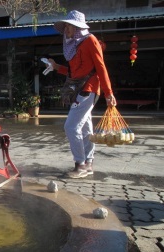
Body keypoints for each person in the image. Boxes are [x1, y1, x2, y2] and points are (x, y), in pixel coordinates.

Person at [48, 10, 117, 179]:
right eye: (65, 26)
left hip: (89, 89)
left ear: (78, 27)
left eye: (69, 26)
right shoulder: (73, 45)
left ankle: (80, 164)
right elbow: (74, 73)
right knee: (86, 128)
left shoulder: (90, 41)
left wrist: (109, 93)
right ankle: (89, 162)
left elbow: (101, 68)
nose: (66, 30)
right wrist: (56, 67)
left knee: (71, 127)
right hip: (78, 90)